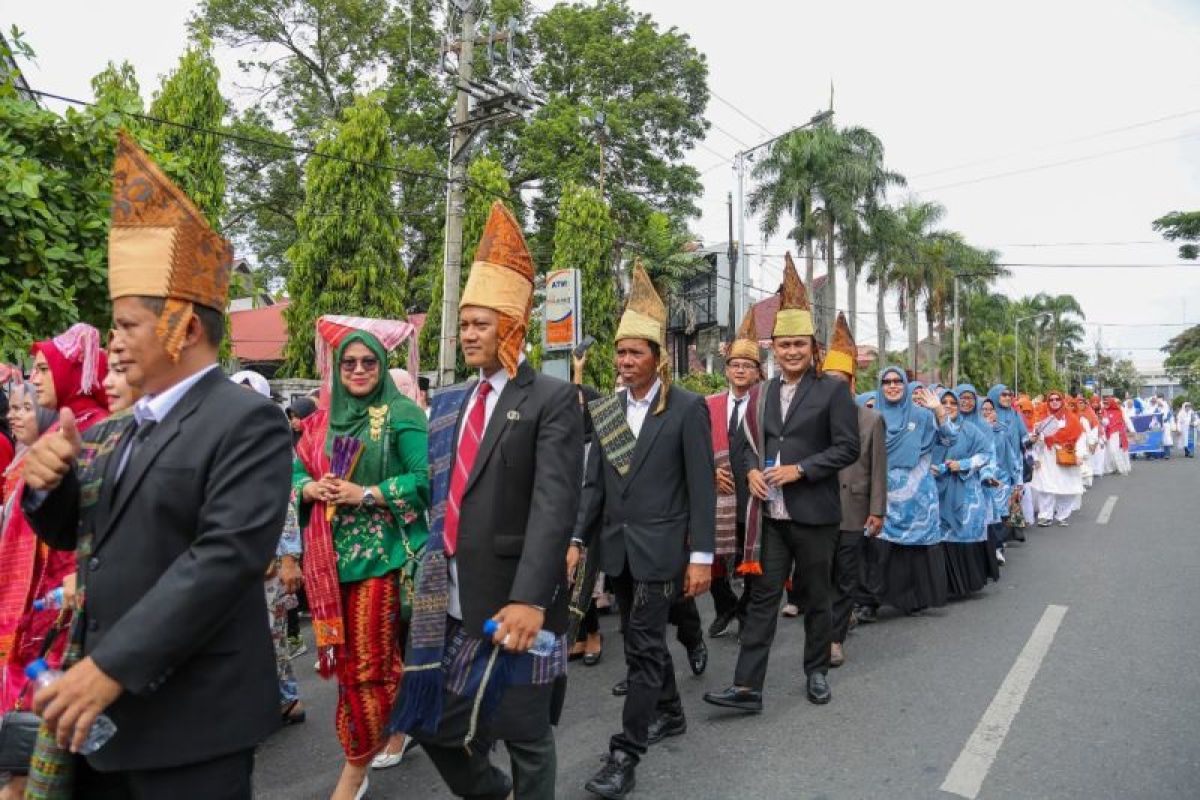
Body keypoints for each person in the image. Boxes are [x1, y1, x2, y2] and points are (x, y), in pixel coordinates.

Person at [21, 132, 293, 798]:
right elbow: (83, 538)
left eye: (126, 326)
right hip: (103, 714)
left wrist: (109, 665)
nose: (111, 346)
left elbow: (223, 557)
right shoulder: (119, 427)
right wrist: (48, 483)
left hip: (192, 724)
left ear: (185, 328)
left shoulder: (245, 419)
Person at [392, 202, 581, 800]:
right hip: (442, 601)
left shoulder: (551, 399)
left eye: (480, 324)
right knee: (432, 725)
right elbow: (442, 497)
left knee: (525, 735)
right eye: (463, 324)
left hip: (513, 600)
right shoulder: (448, 401)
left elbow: (554, 504)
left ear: (511, 326)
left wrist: (530, 597)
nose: (468, 334)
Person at [575, 262, 715, 799]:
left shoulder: (685, 409)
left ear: (658, 358)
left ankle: (624, 754)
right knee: (645, 644)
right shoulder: (607, 410)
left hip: (662, 550)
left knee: (640, 645)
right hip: (618, 551)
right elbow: (595, 488)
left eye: (636, 353)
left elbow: (702, 488)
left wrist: (701, 555)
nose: (625, 361)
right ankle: (672, 712)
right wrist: (577, 541)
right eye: (620, 352)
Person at [703, 257, 859, 714]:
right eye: (783, 345)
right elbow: (747, 441)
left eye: (798, 345)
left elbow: (847, 448)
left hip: (814, 514)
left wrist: (801, 470)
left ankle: (816, 671)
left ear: (812, 348)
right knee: (763, 601)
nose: (790, 352)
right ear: (773, 348)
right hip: (769, 515)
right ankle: (747, 687)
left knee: (815, 597)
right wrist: (751, 468)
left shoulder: (831, 391)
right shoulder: (762, 392)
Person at [292, 316, 428, 800]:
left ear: (383, 365)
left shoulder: (403, 415)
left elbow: (425, 481)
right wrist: (311, 486)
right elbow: (293, 473)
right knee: (348, 668)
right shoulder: (320, 422)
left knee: (371, 667)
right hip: (328, 567)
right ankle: (372, 742)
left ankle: (354, 766)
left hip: (382, 561)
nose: (358, 369)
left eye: (369, 361)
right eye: (348, 362)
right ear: (335, 368)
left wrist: (363, 493)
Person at [0, 381, 59, 799]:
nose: (14, 415)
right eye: (13, 407)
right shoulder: (17, 468)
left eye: (25, 407)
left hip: (40, 617)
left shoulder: (49, 473)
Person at [820, 313, 886, 663]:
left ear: (850, 382)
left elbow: (878, 468)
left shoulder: (872, 419)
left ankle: (834, 639)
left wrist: (877, 511)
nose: (833, 385)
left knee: (846, 575)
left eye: (839, 379)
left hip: (853, 509)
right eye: (827, 379)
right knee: (821, 575)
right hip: (816, 508)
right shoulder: (811, 416)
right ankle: (830, 621)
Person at [873, 365, 956, 615]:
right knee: (880, 548)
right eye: (886, 382)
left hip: (920, 497)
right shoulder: (872, 416)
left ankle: (916, 599)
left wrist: (939, 410)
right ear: (880, 386)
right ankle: (870, 602)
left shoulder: (922, 416)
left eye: (898, 381)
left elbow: (951, 439)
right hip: (883, 495)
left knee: (917, 551)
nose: (893, 385)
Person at [706, 308, 762, 639]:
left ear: (758, 372)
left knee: (752, 557)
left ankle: (746, 612)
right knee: (712, 557)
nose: (740, 370)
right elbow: (697, 447)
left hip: (754, 494)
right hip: (718, 493)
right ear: (726, 370)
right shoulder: (708, 405)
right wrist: (712, 470)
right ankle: (726, 605)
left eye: (748, 366)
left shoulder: (765, 404)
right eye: (735, 365)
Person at [931, 389, 998, 598]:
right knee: (938, 536)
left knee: (960, 534)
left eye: (953, 402)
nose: (949, 406)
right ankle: (941, 585)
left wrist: (963, 464)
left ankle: (963, 584)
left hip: (965, 490)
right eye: (944, 402)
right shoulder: (929, 429)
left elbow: (986, 454)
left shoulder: (970, 429)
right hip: (935, 490)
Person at [1029, 390, 1084, 526]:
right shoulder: (1042, 418)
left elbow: (1080, 437)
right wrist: (1035, 457)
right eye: (1051, 399)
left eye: (1057, 399)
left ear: (1061, 401)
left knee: (1068, 487)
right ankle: (1045, 516)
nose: (1054, 402)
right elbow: (1035, 439)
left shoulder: (1071, 418)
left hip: (1066, 455)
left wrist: (1080, 455)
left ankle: (1062, 515)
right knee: (1046, 487)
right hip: (1047, 456)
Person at [1102, 395, 1133, 475]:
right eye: (1105, 403)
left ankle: (1122, 469)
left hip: (1117, 433)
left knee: (1115, 451)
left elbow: (1127, 421)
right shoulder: (1105, 411)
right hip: (1107, 434)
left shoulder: (1120, 411)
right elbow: (1105, 422)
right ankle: (1110, 469)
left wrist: (1132, 430)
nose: (1106, 404)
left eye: (1108, 403)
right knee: (1108, 452)